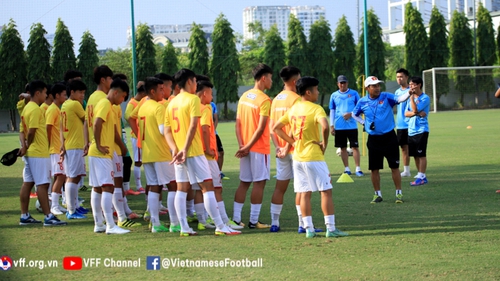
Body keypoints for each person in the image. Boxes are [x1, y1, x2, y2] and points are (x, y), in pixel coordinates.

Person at [164, 68, 240, 236]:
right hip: (194, 152)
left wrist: (176, 149)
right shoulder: (193, 100)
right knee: (207, 187)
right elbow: (193, 126)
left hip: (179, 154)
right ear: (190, 82)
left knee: (181, 189)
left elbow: (167, 131)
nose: (196, 85)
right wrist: (184, 148)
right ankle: (220, 226)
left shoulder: (172, 103)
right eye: (195, 82)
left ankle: (183, 227)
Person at [273, 76, 348, 238]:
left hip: (298, 158)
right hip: (314, 157)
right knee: (326, 191)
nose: (318, 92)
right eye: (316, 89)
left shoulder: (294, 108)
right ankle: (331, 228)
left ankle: (309, 229)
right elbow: (326, 126)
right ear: (308, 92)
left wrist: (292, 142)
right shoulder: (316, 109)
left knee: (304, 193)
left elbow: (276, 128)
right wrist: (324, 143)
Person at [352, 76, 410, 204]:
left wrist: (409, 92)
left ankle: (398, 194)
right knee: (374, 168)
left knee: (394, 167)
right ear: (367, 88)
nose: (377, 88)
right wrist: (364, 123)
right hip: (373, 139)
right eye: (374, 86)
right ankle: (377, 194)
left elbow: (400, 99)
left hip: (389, 137)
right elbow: (354, 114)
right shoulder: (362, 102)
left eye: (378, 85)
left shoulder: (386, 97)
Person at [196, 77, 243, 230]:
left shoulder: (192, 107)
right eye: (211, 94)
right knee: (215, 188)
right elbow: (204, 128)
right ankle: (221, 221)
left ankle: (203, 220)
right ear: (204, 94)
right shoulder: (205, 108)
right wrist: (208, 148)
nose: (212, 97)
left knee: (200, 188)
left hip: (196, 153)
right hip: (207, 155)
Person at [18, 80, 67, 226]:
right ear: (38, 93)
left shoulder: (27, 108)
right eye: (45, 93)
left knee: (28, 183)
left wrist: (24, 146)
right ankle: (48, 216)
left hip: (31, 153)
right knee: (43, 184)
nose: (46, 95)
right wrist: (28, 144)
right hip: (38, 152)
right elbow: (31, 131)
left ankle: (24, 215)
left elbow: (22, 131)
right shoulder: (35, 109)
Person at [268, 66, 311, 233]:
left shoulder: (276, 99)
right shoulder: (296, 99)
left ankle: (275, 223)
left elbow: (272, 127)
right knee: (301, 187)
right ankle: (302, 224)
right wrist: (287, 146)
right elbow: (295, 125)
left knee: (280, 187)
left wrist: (278, 147)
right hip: (294, 149)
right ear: (295, 81)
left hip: (281, 150)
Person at [233, 63, 273, 229]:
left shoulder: (244, 96)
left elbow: (238, 124)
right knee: (259, 183)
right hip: (258, 148)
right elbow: (261, 128)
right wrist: (248, 146)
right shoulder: (264, 100)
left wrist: (242, 145)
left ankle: (235, 219)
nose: (271, 82)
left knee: (244, 183)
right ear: (263, 78)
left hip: (245, 148)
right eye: (270, 78)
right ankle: (253, 220)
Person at [88, 79, 130, 235]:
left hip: (97, 153)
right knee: (108, 187)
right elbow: (97, 123)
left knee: (98, 188)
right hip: (101, 153)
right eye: (122, 97)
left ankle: (99, 223)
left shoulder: (106, 105)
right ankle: (110, 226)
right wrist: (99, 143)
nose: (121, 101)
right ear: (116, 92)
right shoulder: (105, 104)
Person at [138, 77, 179, 233]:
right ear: (153, 91)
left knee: (154, 187)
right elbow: (163, 130)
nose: (164, 92)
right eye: (161, 89)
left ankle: (155, 224)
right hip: (160, 153)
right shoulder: (158, 107)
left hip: (147, 153)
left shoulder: (143, 107)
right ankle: (175, 223)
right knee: (172, 185)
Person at [60, 79, 89, 219]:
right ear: (72, 92)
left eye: (84, 92)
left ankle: (75, 206)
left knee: (75, 176)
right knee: (72, 177)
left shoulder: (65, 104)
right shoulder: (75, 104)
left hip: (71, 144)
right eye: (80, 92)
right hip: (75, 144)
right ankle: (71, 210)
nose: (82, 95)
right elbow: (87, 119)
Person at [329, 75, 363, 176]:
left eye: (344, 82)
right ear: (338, 84)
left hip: (352, 126)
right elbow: (332, 110)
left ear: (347, 83)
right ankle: (347, 168)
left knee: (355, 147)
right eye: (341, 83)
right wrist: (331, 125)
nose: (342, 84)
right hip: (339, 126)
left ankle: (358, 168)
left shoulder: (354, 94)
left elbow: (360, 108)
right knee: (342, 148)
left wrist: (351, 114)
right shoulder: (334, 95)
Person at [45, 83, 67, 215]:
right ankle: (53, 206)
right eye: (64, 94)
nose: (65, 97)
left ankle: (56, 204)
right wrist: (50, 145)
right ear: (57, 95)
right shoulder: (52, 110)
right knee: (60, 176)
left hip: (58, 148)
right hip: (55, 149)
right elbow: (48, 127)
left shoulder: (58, 109)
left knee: (61, 177)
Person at [404, 76, 430, 186]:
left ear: (419, 85)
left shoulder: (425, 98)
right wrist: (417, 113)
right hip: (411, 130)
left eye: (412, 85)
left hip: (421, 129)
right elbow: (406, 113)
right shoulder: (410, 98)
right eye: (409, 85)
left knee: (421, 154)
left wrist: (411, 99)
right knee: (415, 154)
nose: (411, 87)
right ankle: (421, 175)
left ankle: (421, 176)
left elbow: (414, 109)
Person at [395, 68, 412, 177]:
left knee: (414, 149)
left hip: (411, 124)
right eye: (397, 77)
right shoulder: (397, 92)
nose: (399, 79)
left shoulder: (411, 90)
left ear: (406, 77)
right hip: (400, 124)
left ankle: (421, 173)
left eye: (401, 76)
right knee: (403, 148)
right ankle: (406, 170)